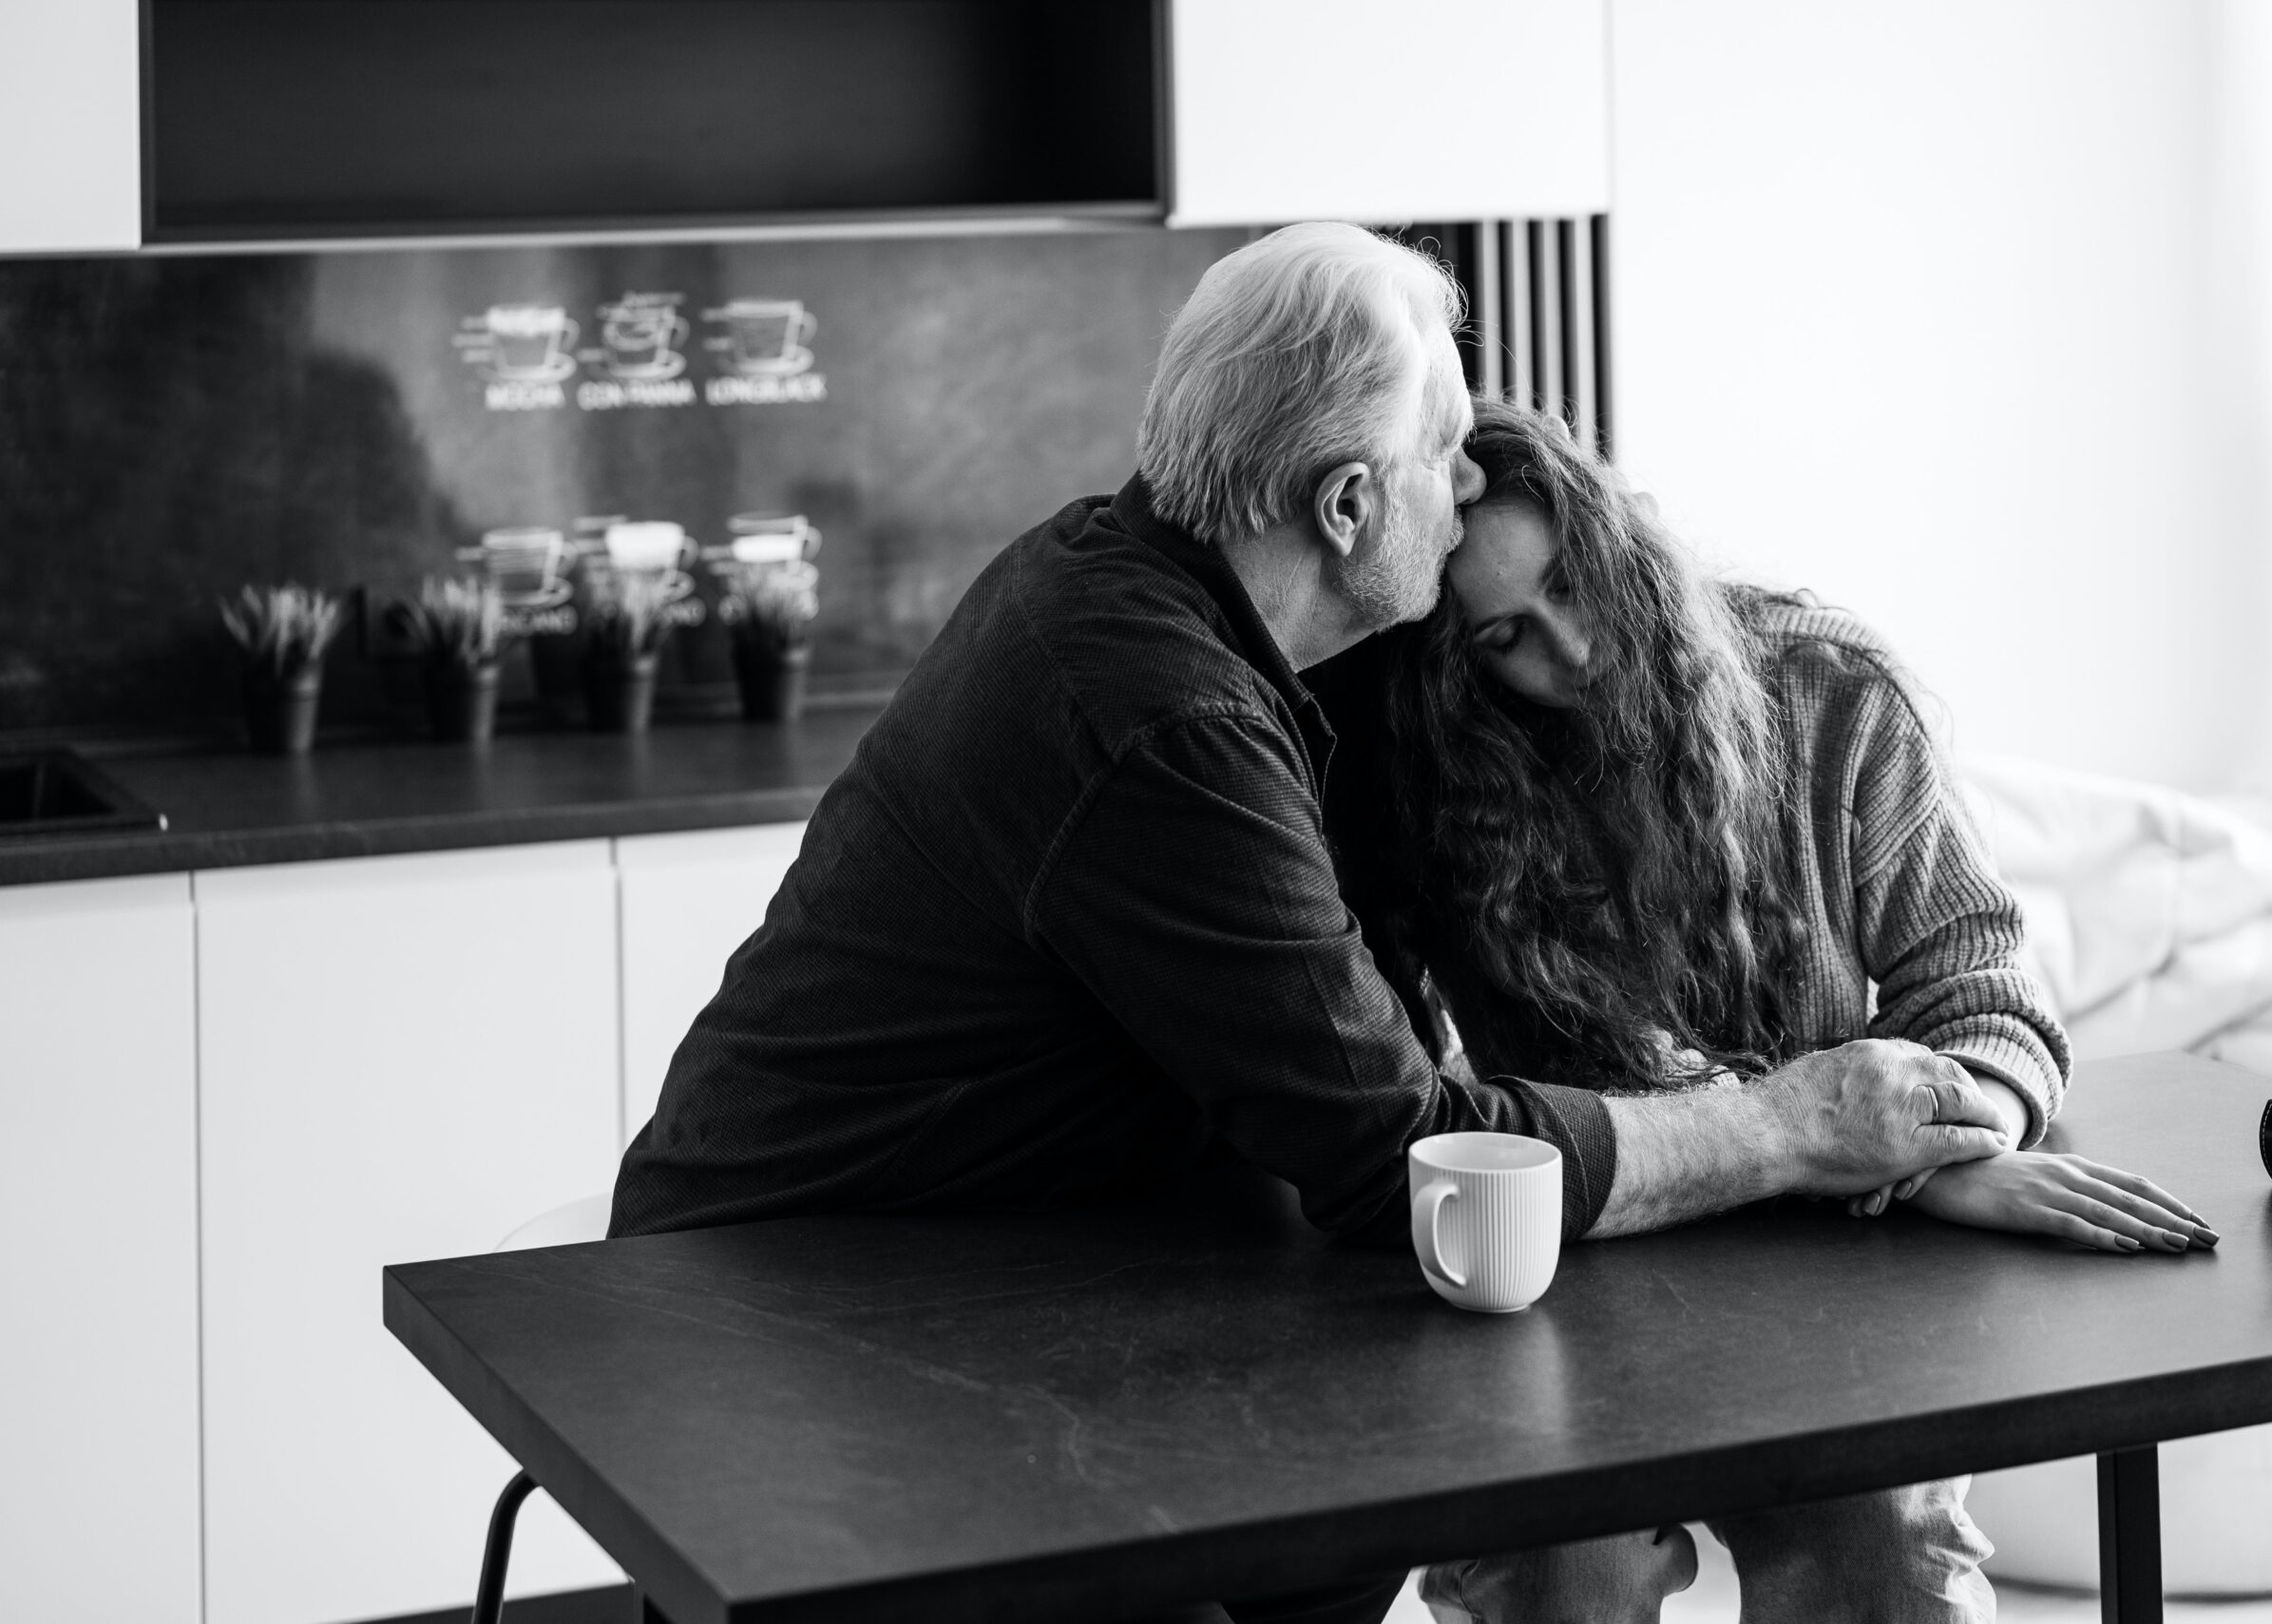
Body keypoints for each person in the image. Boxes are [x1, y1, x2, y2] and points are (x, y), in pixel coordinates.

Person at [613, 223, 2027, 1624]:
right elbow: (1399, 1157)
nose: (1470, 479)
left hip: (1001, 1251)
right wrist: (1787, 1126)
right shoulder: (1162, 720)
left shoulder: (1165, 594)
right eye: (1449, 446)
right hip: (796, 1309)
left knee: (1344, 1537)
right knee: (1346, 1512)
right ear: (1349, 505)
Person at [1309, 396, 2217, 1624]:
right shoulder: (1437, 792)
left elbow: (1982, 991)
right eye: (1507, 638)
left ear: (1619, 531)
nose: (1572, 650)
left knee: (1885, 1559)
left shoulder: (1829, 693)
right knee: (1562, 1576)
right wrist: (1852, 1153)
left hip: (1829, 1296)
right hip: (1579, 1284)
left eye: (1577, 580)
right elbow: (1417, 1108)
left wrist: (1941, 1152)